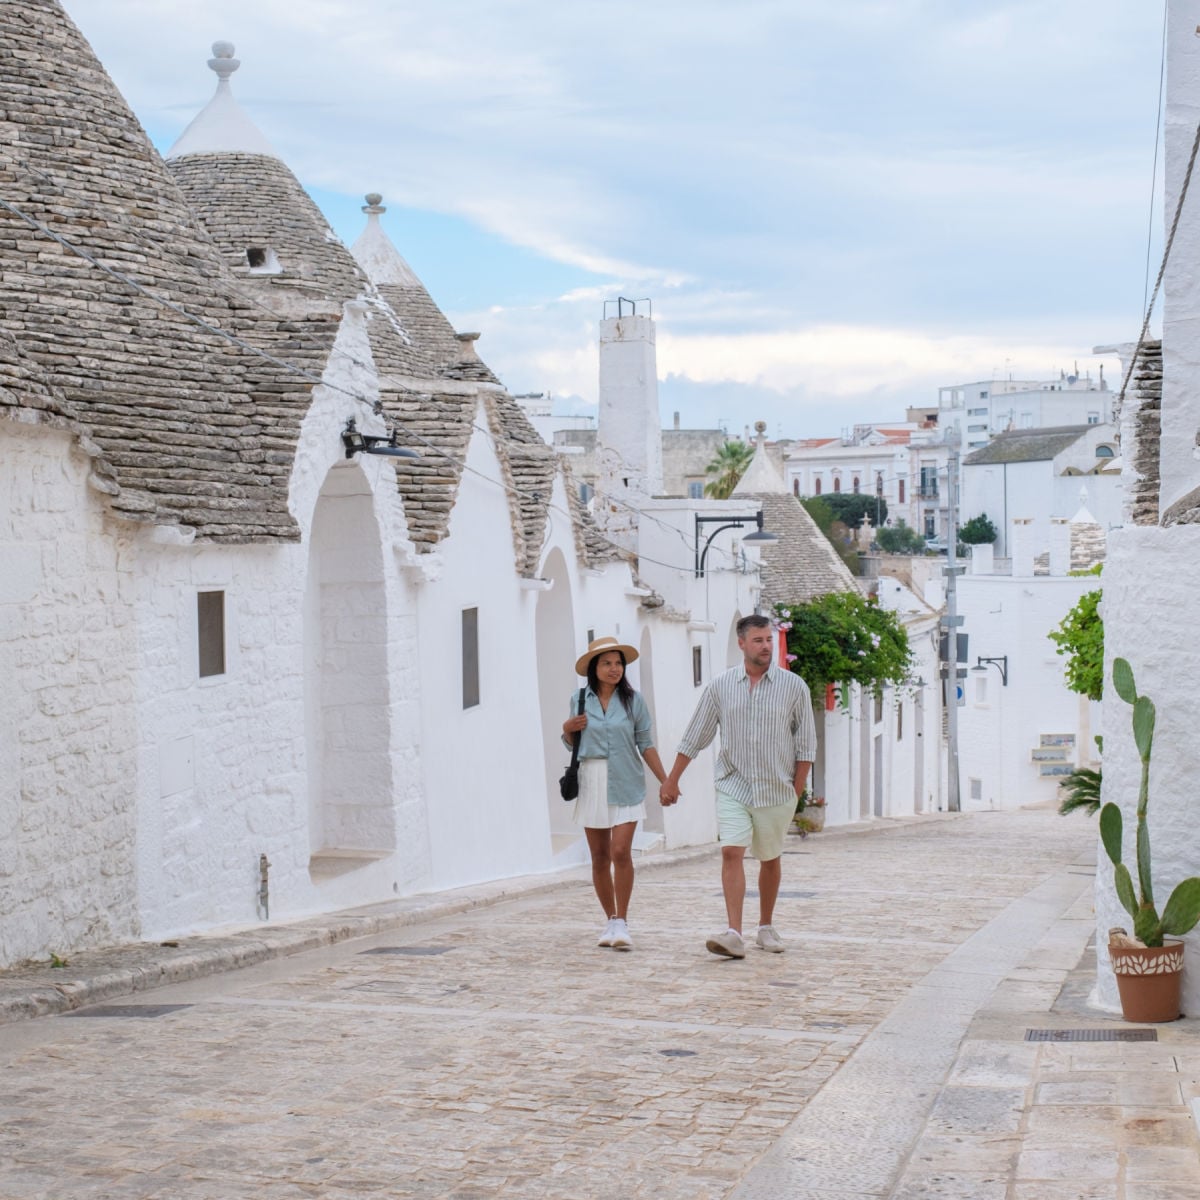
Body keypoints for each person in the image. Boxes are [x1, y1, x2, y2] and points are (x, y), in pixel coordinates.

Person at [658, 614, 815, 959]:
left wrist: (796, 789)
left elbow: (805, 744)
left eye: (769, 640)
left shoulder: (794, 688)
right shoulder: (721, 686)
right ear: (741, 644)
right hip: (733, 783)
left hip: (776, 789)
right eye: (757, 640)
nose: (765, 646)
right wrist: (672, 779)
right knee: (732, 851)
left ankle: (766, 926)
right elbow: (696, 734)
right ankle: (733, 933)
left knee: (770, 858)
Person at [563, 636, 667, 951]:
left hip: (626, 779)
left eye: (618, 663)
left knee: (621, 851)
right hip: (591, 778)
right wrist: (567, 729)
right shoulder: (579, 699)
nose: (614, 669)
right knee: (599, 856)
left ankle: (622, 920)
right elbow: (572, 743)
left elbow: (645, 743)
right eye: (607, 663)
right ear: (594, 668)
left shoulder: (634, 701)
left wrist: (666, 780)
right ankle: (610, 920)